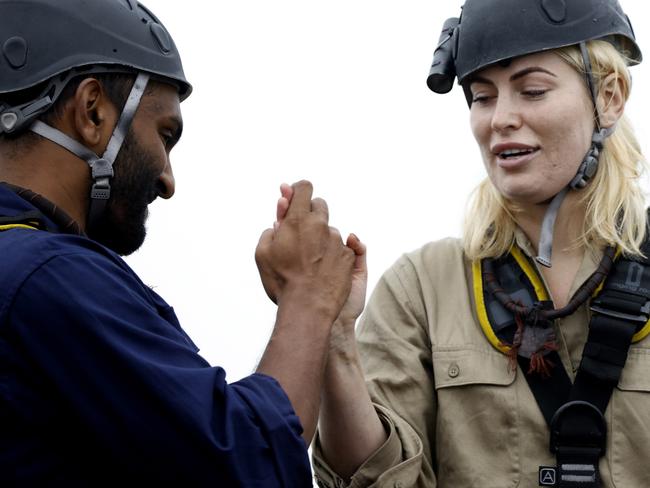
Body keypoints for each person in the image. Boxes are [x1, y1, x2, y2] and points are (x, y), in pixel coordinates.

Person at [0, 0, 357, 486]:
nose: (167, 180)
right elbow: (248, 465)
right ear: (93, 112)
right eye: (165, 135)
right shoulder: (49, 277)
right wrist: (309, 296)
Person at [311, 0, 650, 487]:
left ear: (611, 96)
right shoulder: (424, 288)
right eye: (482, 97)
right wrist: (335, 338)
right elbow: (372, 478)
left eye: (532, 91)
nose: (500, 119)